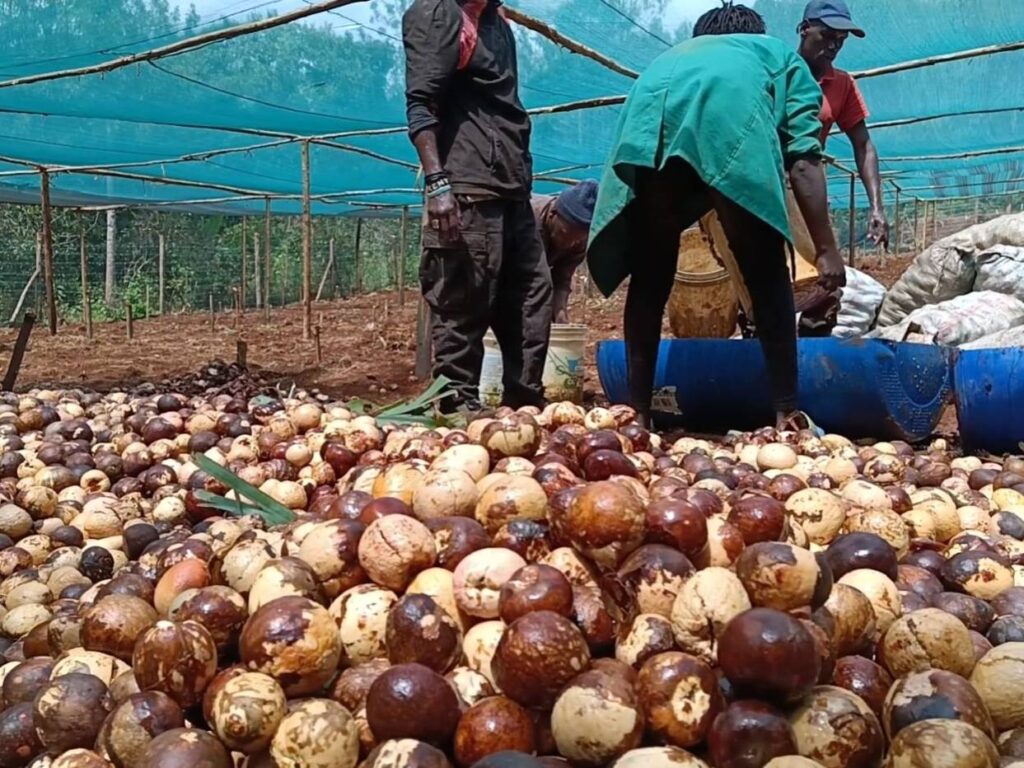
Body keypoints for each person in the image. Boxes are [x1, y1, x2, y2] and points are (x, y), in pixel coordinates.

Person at [586, 2, 845, 430]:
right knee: (766, 274)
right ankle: (786, 413)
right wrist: (825, 250)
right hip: (729, 126)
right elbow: (803, 160)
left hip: (650, 131)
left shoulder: (671, 58)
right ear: (757, 33)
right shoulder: (777, 55)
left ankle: (638, 415)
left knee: (651, 278)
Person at [402, 0, 553, 414]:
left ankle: (523, 406)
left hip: (512, 189)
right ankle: (456, 411)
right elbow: (421, 106)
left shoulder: (494, 20)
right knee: (463, 304)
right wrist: (438, 182)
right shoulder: (440, 14)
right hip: (467, 187)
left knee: (531, 297)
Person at [799, 0, 888, 248]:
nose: (833, 46)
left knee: (818, 274)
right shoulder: (779, 72)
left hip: (809, 189)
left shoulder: (842, 84)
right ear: (806, 28)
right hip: (768, 185)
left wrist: (876, 207)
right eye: (827, 35)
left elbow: (863, 145)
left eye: (841, 40)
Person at [532, 180, 598, 324]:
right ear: (553, 214)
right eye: (566, 233)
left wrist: (560, 311)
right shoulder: (527, 218)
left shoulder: (578, 240)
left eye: (579, 237)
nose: (571, 242)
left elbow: (562, 278)